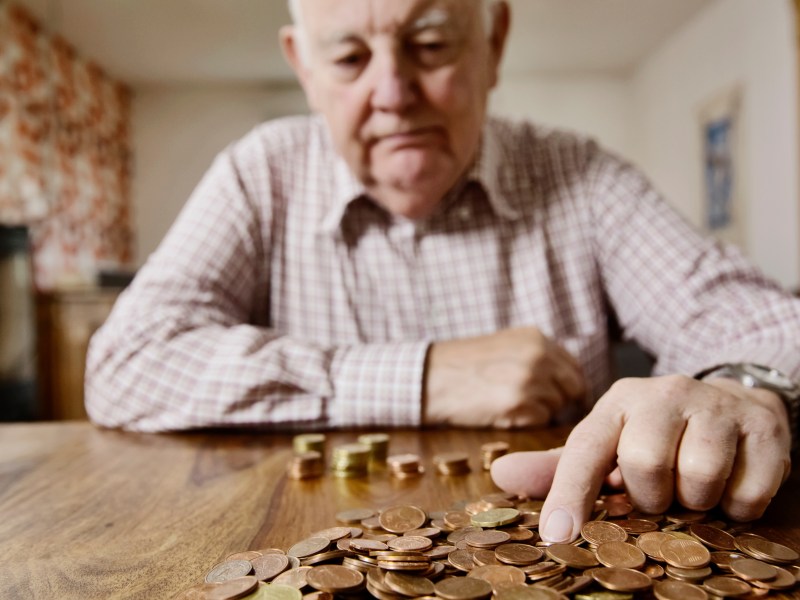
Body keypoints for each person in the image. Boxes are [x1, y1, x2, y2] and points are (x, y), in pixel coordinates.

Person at [85, 0, 800, 544]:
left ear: (494, 44)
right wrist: (425, 374)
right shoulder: (258, 173)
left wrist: (742, 387)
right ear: (302, 66)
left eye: (429, 45)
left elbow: (758, 321)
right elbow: (126, 362)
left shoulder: (580, 173)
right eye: (347, 60)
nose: (393, 93)